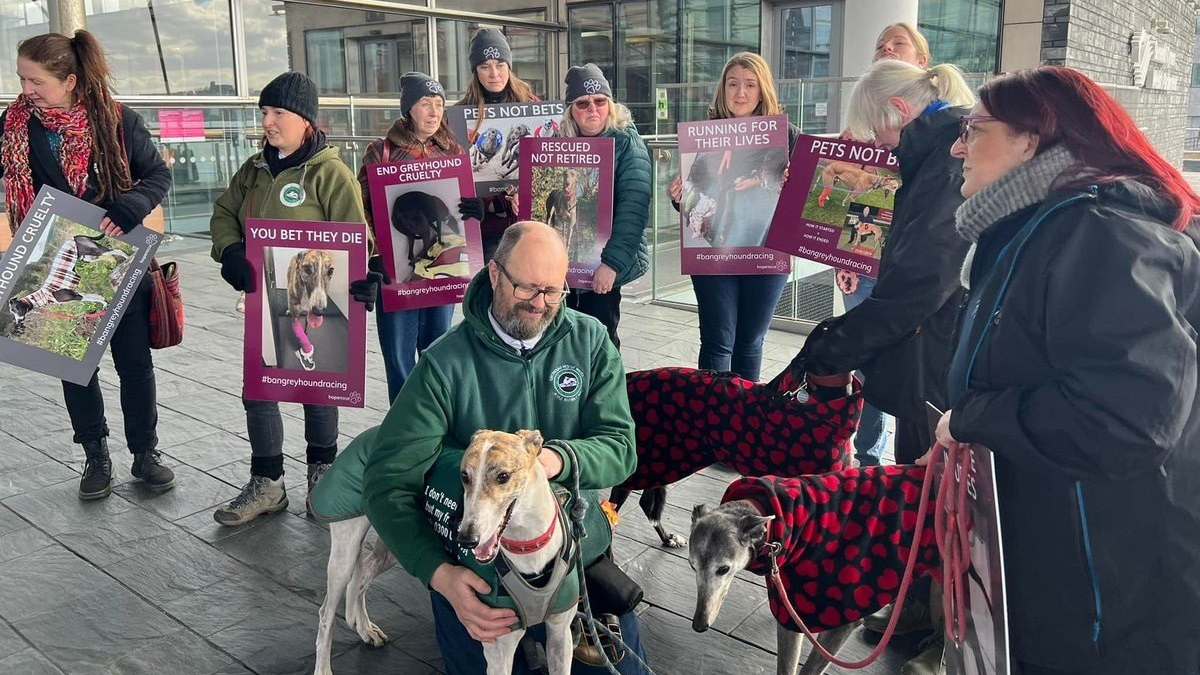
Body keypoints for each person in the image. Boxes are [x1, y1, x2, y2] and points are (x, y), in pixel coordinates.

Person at [927, 66, 1200, 675]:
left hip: (1108, 599)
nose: (956, 145)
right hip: (1068, 568)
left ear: (1032, 139)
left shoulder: (1100, 234)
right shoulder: (1042, 228)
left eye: (973, 128)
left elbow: (1126, 419)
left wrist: (973, 418)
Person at [362, 221, 648, 675]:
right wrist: (440, 575)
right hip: (475, 561)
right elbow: (386, 482)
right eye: (527, 288)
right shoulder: (443, 363)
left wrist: (548, 461)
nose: (540, 304)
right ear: (494, 274)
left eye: (553, 292)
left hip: (573, 550)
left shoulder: (591, 340)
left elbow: (620, 448)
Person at [0, 30, 175, 499]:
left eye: (34, 80)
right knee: (74, 367)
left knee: (134, 364)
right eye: (22, 78)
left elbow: (158, 174)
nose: (26, 89)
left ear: (70, 80)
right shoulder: (16, 125)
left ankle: (145, 452)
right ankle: (95, 455)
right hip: (55, 257)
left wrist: (130, 205)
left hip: (117, 258)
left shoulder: (118, 122)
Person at [208, 71, 366, 525]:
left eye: (277, 113)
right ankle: (268, 484)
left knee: (317, 389)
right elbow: (223, 213)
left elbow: (356, 238)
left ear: (304, 119)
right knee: (259, 392)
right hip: (264, 300)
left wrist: (360, 281)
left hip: (316, 301)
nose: (268, 122)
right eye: (264, 113)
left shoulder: (329, 173)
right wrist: (231, 249)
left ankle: (323, 478)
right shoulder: (254, 170)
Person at [668, 52, 798, 382]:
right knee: (717, 341)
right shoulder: (705, 135)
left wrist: (786, 185)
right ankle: (713, 422)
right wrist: (679, 196)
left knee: (750, 343)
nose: (740, 93)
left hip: (765, 247)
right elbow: (696, 190)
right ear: (722, 89)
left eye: (750, 85)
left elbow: (800, 202)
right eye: (733, 84)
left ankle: (744, 424)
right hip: (714, 249)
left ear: (762, 90)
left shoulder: (786, 135)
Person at [353, 71, 479, 403]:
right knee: (398, 354)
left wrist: (473, 210)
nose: (435, 111)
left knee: (438, 348)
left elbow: (459, 207)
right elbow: (362, 208)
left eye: (439, 104)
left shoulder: (453, 150)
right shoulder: (381, 151)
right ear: (409, 109)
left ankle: (436, 418)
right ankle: (402, 422)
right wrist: (376, 253)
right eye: (426, 103)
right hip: (395, 269)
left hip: (443, 268)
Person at [838, 22, 931, 467]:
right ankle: (867, 458)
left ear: (921, 62)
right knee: (864, 363)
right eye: (879, 45)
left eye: (897, 44)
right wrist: (842, 255)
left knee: (912, 369)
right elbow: (843, 199)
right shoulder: (861, 128)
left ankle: (907, 468)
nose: (885, 49)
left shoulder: (939, 139)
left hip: (913, 272)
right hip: (863, 263)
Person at [556, 64, 651, 348]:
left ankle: (606, 393)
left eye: (600, 101)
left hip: (604, 261)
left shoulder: (626, 142)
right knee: (561, 339)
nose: (593, 109)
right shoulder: (559, 143)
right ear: (571, 110)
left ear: (610, 104)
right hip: (564, 265)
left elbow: (633, 209)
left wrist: (611, 264)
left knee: (601, 340)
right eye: (583, 104)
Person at [454, 28, 539, 262]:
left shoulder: (532, 106)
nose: (494, 74)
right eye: (485, 66)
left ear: (509, 66)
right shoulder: (460, 115)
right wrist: (477, 205)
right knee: (492, 292)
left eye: (500, 64)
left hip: (527, 223)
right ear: (475, 71)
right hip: (486, 229)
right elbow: (455, 171)